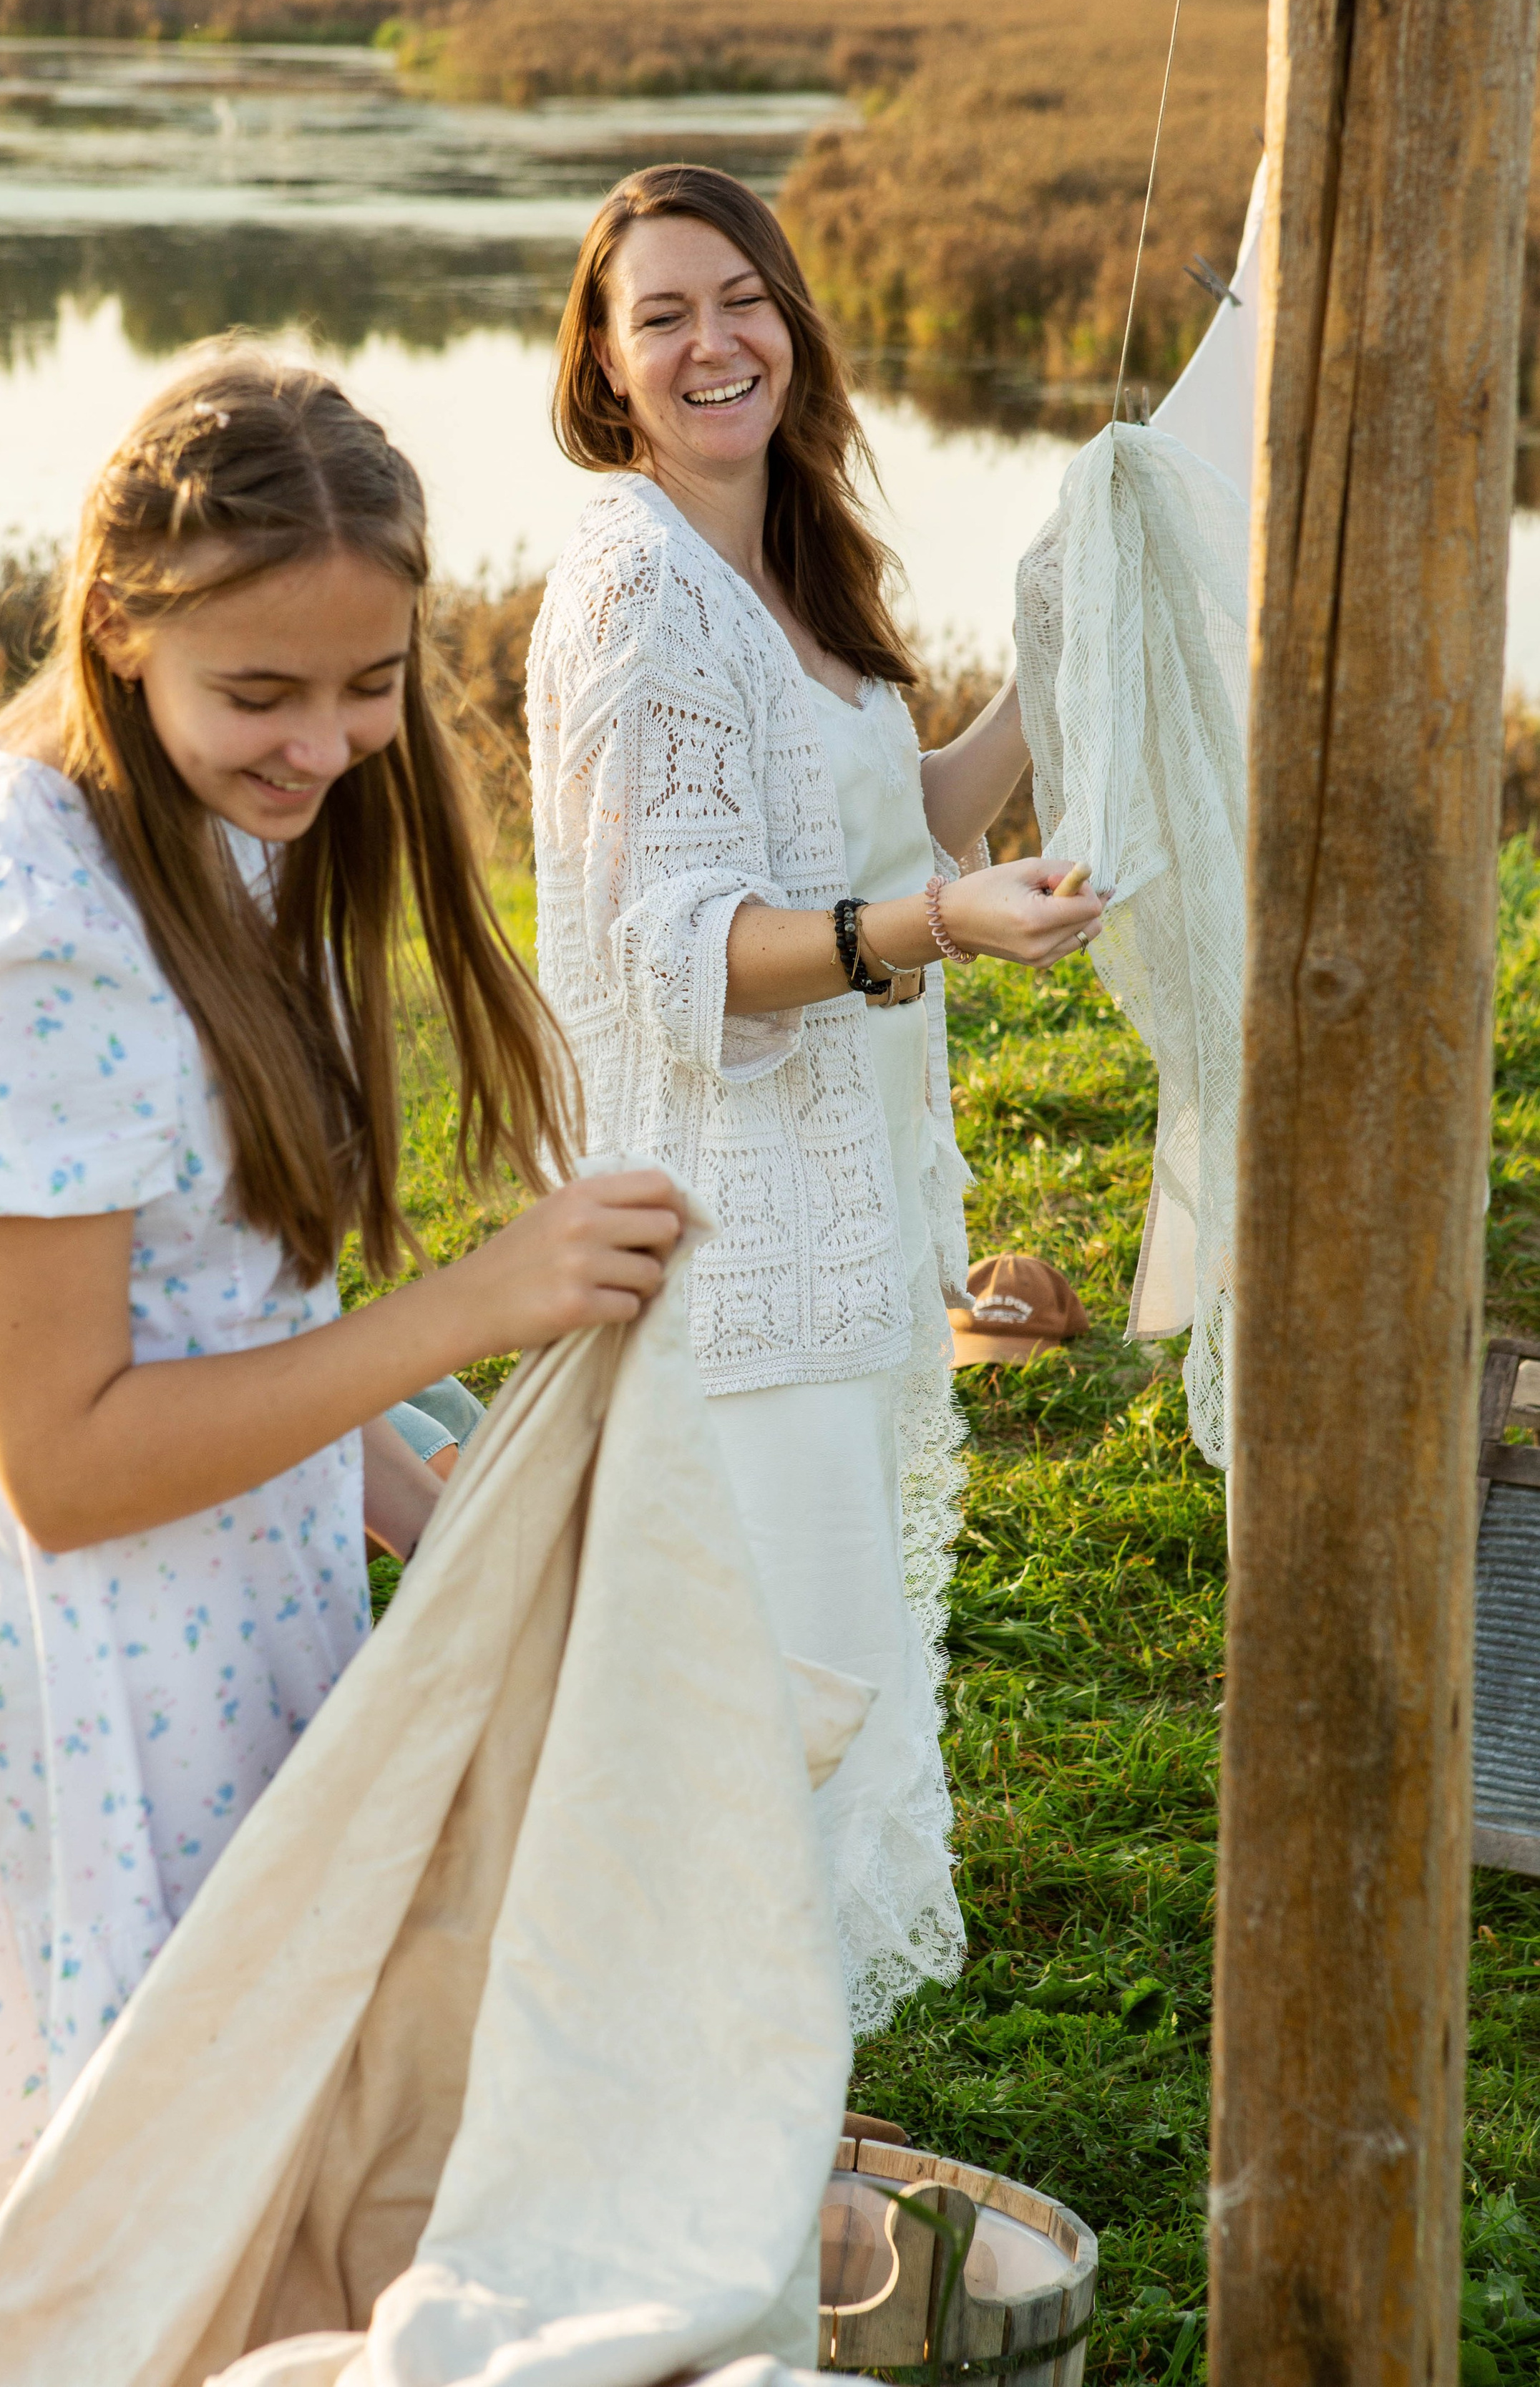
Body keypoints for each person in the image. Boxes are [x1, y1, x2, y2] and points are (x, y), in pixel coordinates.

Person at [0, 345, 682, 2264]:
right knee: (136, 2269)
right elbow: (65, 1463)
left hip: (244, 1614)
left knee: (274, 2237)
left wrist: (430, 1508)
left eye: (369, 684)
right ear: (119, 627)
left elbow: (221, 1321)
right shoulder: (19, 913)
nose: (322, 744)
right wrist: (469, 1311)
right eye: (261, 694)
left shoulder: (223, 822)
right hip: (103, 1685)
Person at [527, 165, 1105, 2032]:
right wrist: (941, 924)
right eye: (663, 316)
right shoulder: (636, 587)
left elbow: (889, 822)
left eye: (742, 300)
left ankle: (763, 2139)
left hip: (835, 1242)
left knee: (820, 1727)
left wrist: (1053, 664)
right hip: (728, 1259)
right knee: (758, 1748)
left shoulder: (785, 562)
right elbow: (684, 949)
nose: (715, 344)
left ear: (791, 320)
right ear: (606, 368)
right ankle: (699, 2129)